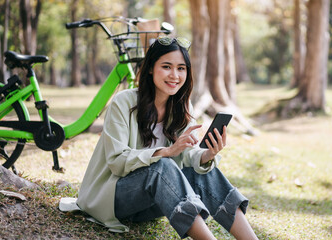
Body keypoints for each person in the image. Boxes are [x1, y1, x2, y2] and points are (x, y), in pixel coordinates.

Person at [77, 36, 258, 240]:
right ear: (151, 68)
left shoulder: (182, 107)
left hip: (149, 204)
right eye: (166, 66)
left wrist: (208, 153)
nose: (175, 75)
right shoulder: (123, 102)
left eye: (181, 68)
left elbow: (190, 155)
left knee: (203, 173)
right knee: (163, 166)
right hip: (111, 200)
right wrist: (166, 152)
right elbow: (117, 162)